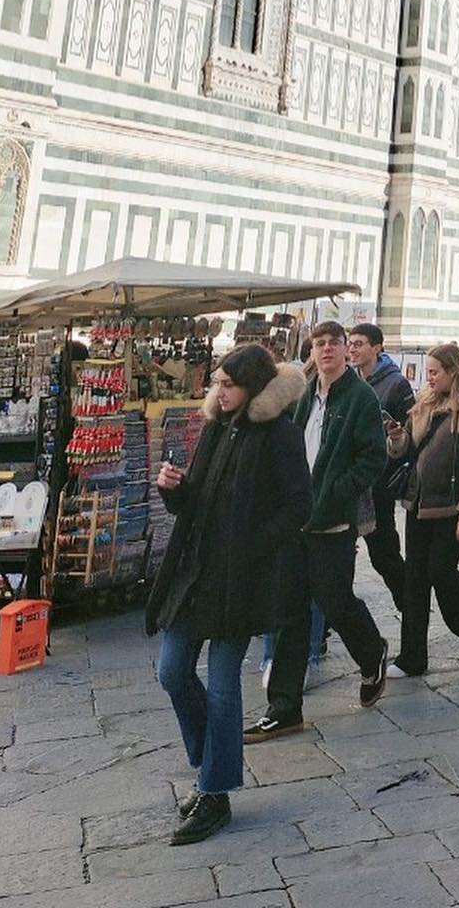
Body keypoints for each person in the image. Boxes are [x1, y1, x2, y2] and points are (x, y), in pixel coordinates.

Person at [147, 347, 311, 844]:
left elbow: (299, 504)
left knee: (222, 685)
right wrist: (173, 488)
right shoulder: (218, 425)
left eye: (229, 384)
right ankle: (210, 768)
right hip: (195, 573)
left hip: (240, 581)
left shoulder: (279, 432)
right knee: (171, 670)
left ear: (253, 387)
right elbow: (196, 499)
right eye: (217, 383)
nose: (219, 392)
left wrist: (251, 547)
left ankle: (214, 792)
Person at [248, 321, 390, 742]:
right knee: (288, 609)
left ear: (347, 349)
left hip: (332, 520)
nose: (326, 349)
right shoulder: (306, 393)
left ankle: (372, 651)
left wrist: (338, 493)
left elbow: (373, 457)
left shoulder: (360, 396)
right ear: (311, 351)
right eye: (319, 343)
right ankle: (284, 707)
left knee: (334, 599)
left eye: (334, 343)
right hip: (297, 521)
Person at [383, 343, 459, 676]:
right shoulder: (425, 403)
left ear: (453, 371)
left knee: (440, 571)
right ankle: (412, 657)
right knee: (414, 581)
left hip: (451, 506)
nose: (428, 378)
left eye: (434, 372)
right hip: (419, 502)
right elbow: (409, 451)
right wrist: (397, 438)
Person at [346, 322, 415, 610]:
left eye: (359, 343)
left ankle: (409, 606)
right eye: (350, 343)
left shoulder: (396, 384)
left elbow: (410, 435)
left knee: (383, 554)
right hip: (350, 480)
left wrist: (395, 436)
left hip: (379, 483)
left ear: (377, 347)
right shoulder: (348, 379)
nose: (352, 348)